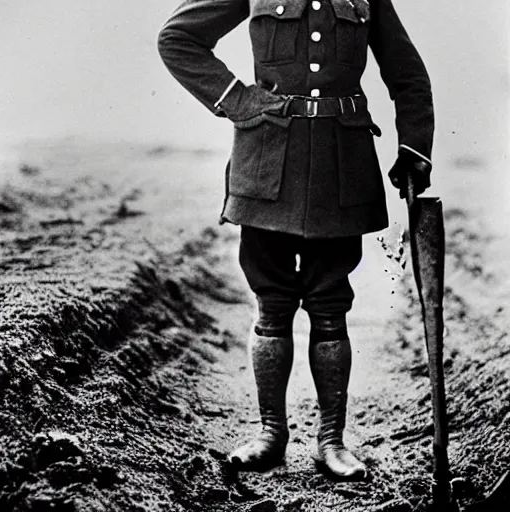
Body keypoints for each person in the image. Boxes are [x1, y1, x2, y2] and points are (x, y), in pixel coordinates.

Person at [158, 0, 434, 479]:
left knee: (330, 304)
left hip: (339, 171)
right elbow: (177, 38)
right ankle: (271, 432)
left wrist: (414, 148)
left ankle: (332, 440)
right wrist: (238, 100)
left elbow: (407, 74)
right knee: (272, 300)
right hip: (267, 165)